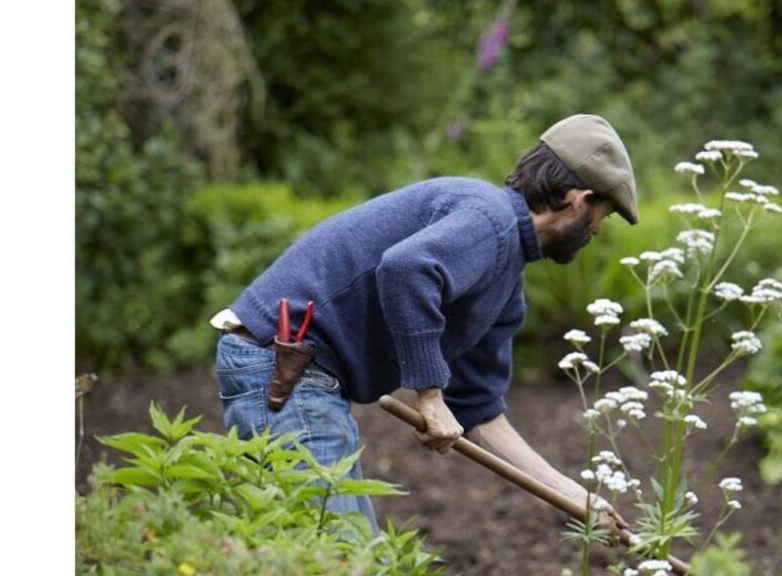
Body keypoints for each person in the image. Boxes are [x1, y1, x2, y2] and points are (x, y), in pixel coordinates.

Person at [210, 113, 638, 538]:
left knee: (352, 553)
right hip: (284, 366)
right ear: (579, 200)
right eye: (605, 213)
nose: (598, 229)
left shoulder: (506, 283)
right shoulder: (489, 220)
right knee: (339, 553)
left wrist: (572, 495)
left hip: (307, 377)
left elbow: (479, 408)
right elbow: (406, 269)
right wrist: (430, 395)